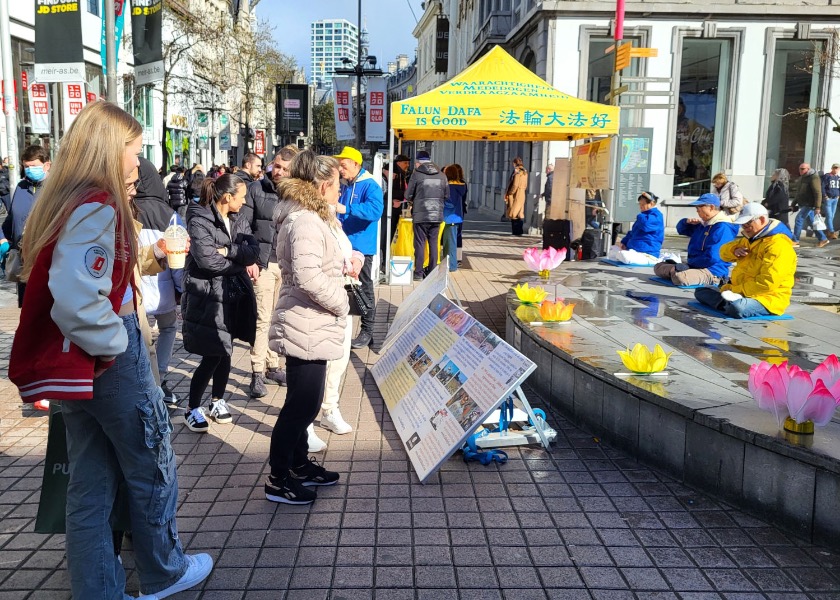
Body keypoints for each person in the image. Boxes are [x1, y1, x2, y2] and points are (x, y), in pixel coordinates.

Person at [8, 101, 212, 599]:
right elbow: (80, 296)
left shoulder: (67, 201)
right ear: (110, 148)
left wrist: (147, 258)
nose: (138, 163)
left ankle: (97, 589)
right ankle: (164, 570)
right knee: (152, 465)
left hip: (77, 368)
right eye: (134, 150)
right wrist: (116, 342)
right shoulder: (98, 204)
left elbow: (86, 276)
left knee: (91, 482)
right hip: (108, 358)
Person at [266, 150, 349, 505]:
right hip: (306, 320)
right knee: (302, 405)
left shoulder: (314, 217)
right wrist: (341, 301)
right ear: (322, 184)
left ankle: (298, 465)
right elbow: (307, 276)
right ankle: (278, 478)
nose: (340, 191)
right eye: (338, 185)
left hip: (311, 320)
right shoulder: (304, 220)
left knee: (304, 401)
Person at [181, 175, 259, 433]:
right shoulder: (199, 218)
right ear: (227, 197)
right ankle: (192, 407)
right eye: (242, 196)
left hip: (231, 292)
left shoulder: (237, 217)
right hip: (206, 294)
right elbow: (207, 261)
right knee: (213, 352)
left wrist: (228, 252)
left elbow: (253, 249)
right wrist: (238, 262)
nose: (245, 200)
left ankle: (217, 399)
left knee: (226, 347)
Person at [241, 145, 298, 398]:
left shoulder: (296, 193)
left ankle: (273, 365)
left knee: (279, 317)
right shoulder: (255, 189)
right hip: (262, 263)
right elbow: (243, 226)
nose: (278, 171)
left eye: (284, 168)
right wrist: (249, 260)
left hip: (286, 264)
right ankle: (256, 371)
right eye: (276, 166)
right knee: (263, 319)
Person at [135, 156, 184, 407]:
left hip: (136, 291)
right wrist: (180, 289)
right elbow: (178, 259)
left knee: (140, 336)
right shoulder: (170, 214)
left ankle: (145, 377)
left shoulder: (126, 208)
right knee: (168, 329)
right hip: (163, 287)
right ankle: (161, 376)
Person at [695, 203, 796, 318]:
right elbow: (723, 253)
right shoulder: (750, 239)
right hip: (739, 292)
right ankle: (729, 302)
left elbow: (767, 283)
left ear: (762, 220)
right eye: (743, 224)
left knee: (738, 308)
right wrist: (734, 250)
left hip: (767, 297)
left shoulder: (778, 245)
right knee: (700, 291)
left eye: (748, 223)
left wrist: (735, 291)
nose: (745, 227)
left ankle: (730, 303)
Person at [335, 146, 383, 349]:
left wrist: (346, 209)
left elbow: (375, 210)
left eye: (344, 165)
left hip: (362, 246)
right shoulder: (347, 184)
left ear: (356, 164)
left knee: (364, 286)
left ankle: (367, 330)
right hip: (345, 243)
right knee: (348, 287)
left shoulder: (370, 185)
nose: (340, 169)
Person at [0, 145, 51, 308]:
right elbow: (12, 218)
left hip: (47, 263)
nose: (30, 170)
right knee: (28, 309)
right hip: (23, 263)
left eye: (34, 166)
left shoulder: (56, 190)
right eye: (26, 167)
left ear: (47, 165)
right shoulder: (21, 187)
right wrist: (2, 238)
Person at [653, 193, 738, 286]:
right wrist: (686, 222)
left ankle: (680, 272)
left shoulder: (722, 227)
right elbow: (681, 230)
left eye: (699, 208)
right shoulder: (704, 224)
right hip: (694, 266)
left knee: (680, 277)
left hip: (712, 270)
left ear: (711, 207)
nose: (697, 211)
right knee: (658, 267)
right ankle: (677, 271)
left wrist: (690, 265)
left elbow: (713, 257)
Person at [406, 150, 447, 281]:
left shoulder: (417, 175)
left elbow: (407, 195)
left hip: (420, 215)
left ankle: (418, 273)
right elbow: (447, 195)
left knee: (419, 244)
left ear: (418, 163)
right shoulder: (442, 175)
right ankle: (432, 272)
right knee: (434, 243)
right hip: (437, 215)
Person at [792, 162, 827, 248]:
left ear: (808, 169)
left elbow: (818, 193)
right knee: (812, 222)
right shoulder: (802, 178)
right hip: (803, 203)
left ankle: (795, 240)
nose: (800, 170)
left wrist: (818, 207)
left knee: (799, 219)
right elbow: (799, 193)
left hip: (809, 204)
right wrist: (793, 203)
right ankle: (823, 239)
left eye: (803, 169)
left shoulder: (814, 178)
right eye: (800, 169)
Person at [383, 153, 411, 258]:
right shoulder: (392, 172)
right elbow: (388, 191)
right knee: (388, 233)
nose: (407, 165)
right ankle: (385, 256)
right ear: (398, 163)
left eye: (408, 163)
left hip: (397, 206)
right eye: (405, 163)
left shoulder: (402, 173)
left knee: (393, 231)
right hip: (391, 208)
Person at [619, 191, 665, 256]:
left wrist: (640, 216)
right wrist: (624, 242)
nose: (640, 207)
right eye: (640, 204)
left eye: (643, 204)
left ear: (651, 204)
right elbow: (634, 232)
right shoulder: (644, 216)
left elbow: (645, 225)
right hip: (636, 249)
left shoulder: (657, 216)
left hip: (647, 251)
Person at [442, 164, 467, 272]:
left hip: (449, 217)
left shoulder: (450, 187)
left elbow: (450, 203)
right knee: (449, 242)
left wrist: (441, 202)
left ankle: (451, 266)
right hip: (456, 217)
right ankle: (447, 264)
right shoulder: (462, 185)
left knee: (450, 243)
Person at [505, 156, 528, 235]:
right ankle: (520, 231)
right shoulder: (524, 171)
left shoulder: (517, 171)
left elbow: (515, 184)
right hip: (522, 192)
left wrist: (510, 192)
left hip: (516, 193)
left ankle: (515, 231)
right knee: (520, 212)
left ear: (515, 163)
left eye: (513, 163)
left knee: (513, 212)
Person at [822, 163, 840, 239]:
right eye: (834, 168)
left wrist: (838, 195)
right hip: (828, 199)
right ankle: (832, 232)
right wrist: (825, 196)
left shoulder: (838, 178)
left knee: (831, 216)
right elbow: (822, 186)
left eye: (837, 168)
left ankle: (827, 231)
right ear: (832, 168)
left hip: (835, 199)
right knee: (829, 216)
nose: (836, 169)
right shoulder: (827, 176)